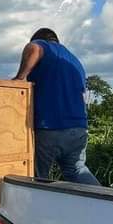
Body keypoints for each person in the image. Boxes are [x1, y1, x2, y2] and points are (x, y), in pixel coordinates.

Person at [13, 28, 100, 186]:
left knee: (38, 176)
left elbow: (34, 48)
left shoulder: (42, 45)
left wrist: (20, 78)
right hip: (79, 128)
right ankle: (104, 201)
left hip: (51, 127)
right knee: (76, 169)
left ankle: (38, 208)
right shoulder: (75, 61)